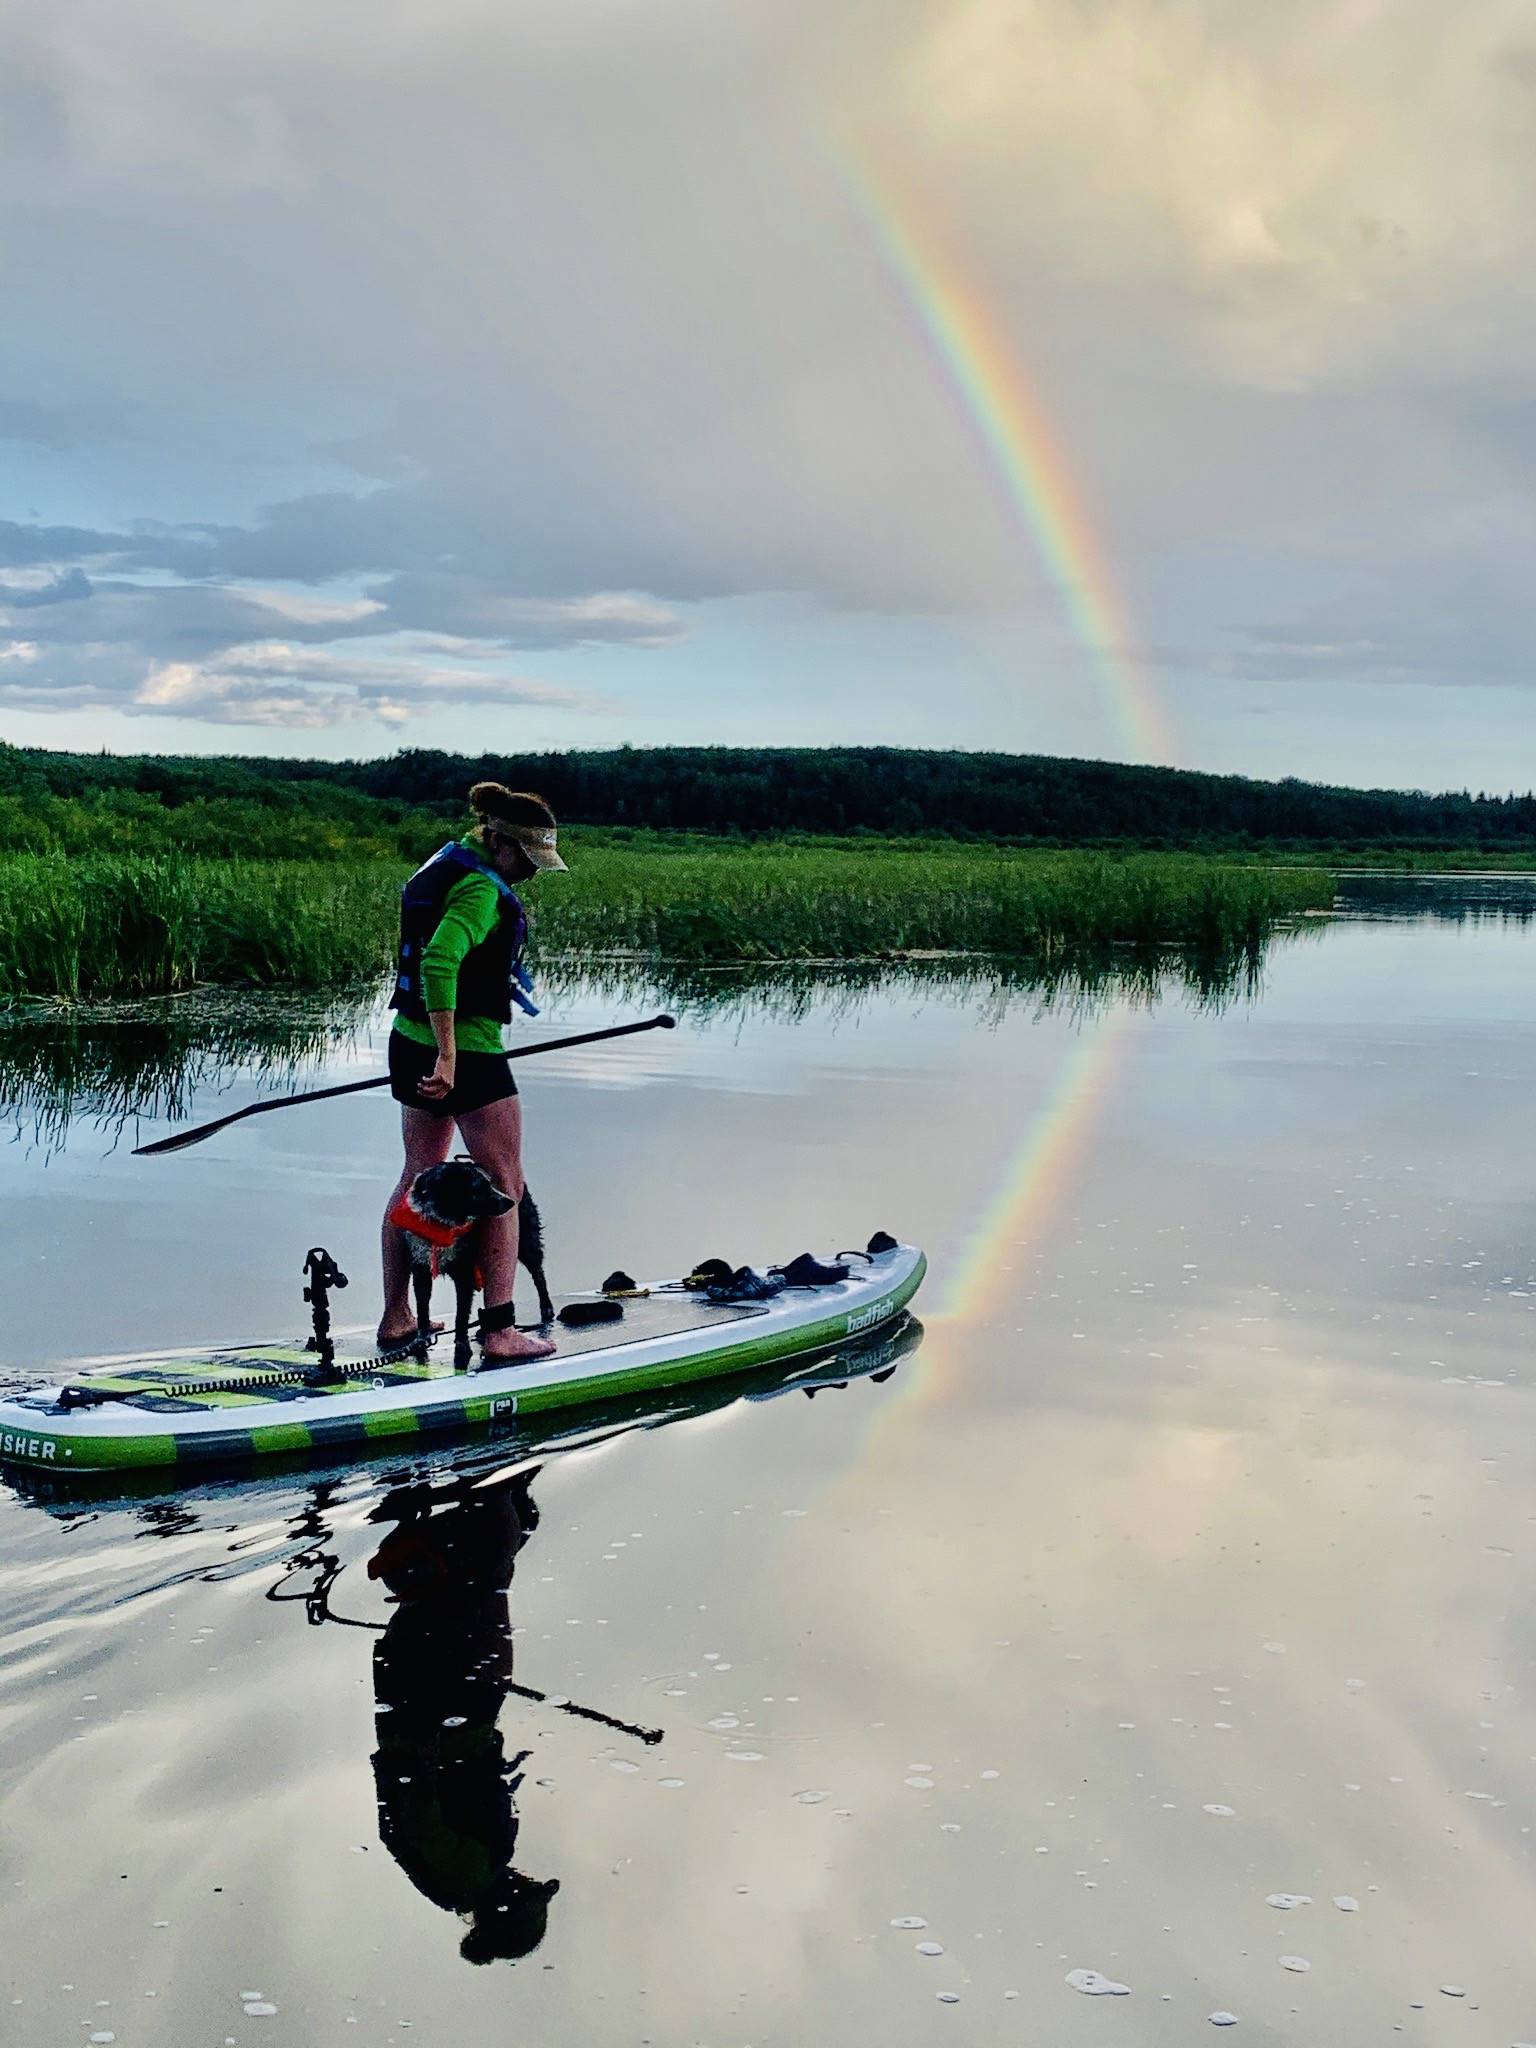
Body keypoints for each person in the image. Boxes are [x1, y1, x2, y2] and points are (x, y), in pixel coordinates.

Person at [378, 783, 562, 1363]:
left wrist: (433, 1047)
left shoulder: (444, 861)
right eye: (531, 861)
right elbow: (438, 958)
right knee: (504, 1181)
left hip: (407, 1042)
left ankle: (397, 1317)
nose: (532, 873)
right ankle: (500, 1331)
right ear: (505, 845)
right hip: (466, 1051)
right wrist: (451, 1051)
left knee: (418, 1174)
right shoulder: (482, 888)